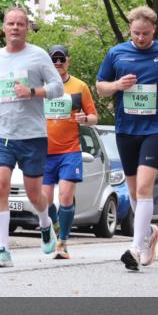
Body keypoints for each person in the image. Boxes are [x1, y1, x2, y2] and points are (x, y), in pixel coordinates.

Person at [97, 6, 158, 271]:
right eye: (136, 33)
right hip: (126, 128)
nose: (140, 38)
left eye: (145, 34)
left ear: (154, 30)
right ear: (130, 29)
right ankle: (148, 235)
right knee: (135, 190)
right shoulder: (116, 53)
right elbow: (101, 87)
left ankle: (135, 249)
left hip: (156, 127)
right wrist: (117, 86)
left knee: (145, 187)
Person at [0, 7, 65, 268]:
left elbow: (58, 88)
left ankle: (46, 223)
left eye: (20, 24)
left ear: (27, 28)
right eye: (10, 23)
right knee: (1, 186)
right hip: (1, 132)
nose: (15, 28)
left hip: (31, 135)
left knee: (34, 193)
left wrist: (32, 91)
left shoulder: (38, 56)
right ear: (3, 28)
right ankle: (3, 250)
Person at [43, 44, 98, 259]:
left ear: (68, 61)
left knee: (65, 196)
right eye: (53, 60)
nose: (58, 64)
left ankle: (63, 243)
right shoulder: (41, 85)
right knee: (45, 201)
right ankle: (55, 228)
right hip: (44, 151)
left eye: (61, 59)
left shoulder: (80, 86)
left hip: (70, 150)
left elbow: (94, 117)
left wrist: (85, 119)